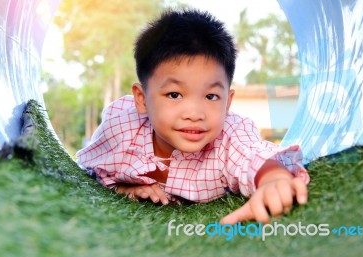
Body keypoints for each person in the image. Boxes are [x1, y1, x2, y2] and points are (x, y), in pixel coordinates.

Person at [76, 9, 310, 225]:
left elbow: (252, 156)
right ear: (141, 99)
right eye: (175, 94)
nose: (195, 114)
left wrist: (273, 179)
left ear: (228, 102)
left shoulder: (230, 134)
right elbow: (87, 173)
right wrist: (123, 188)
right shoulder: (121, 128)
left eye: (210, 96)